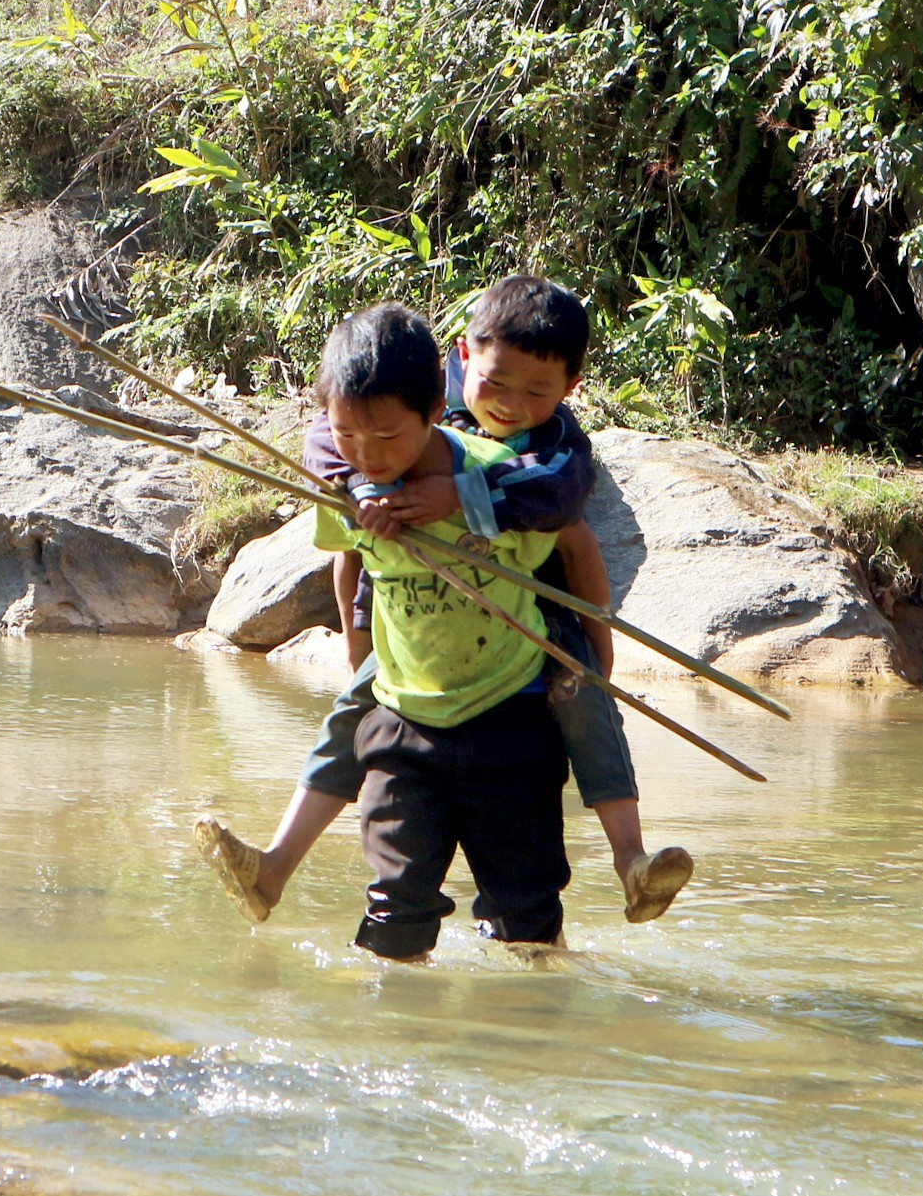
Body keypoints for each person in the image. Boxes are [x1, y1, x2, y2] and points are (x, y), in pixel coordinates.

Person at [196, 278, 691, 932]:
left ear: (570, 390)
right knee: (354, 710)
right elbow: (340, 486)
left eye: (536, 393)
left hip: (530, 613)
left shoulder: (551, 454)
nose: (511, 404)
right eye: (496, 382)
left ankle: (630, 857)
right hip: (410, 624)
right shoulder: (397, 418)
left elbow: (570, 528)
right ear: (461, 361)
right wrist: (357, 610)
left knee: (586, 698)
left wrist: (464, 499)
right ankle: (276, 863)